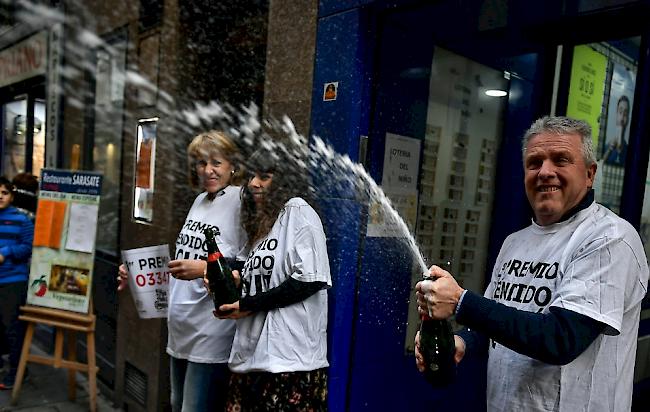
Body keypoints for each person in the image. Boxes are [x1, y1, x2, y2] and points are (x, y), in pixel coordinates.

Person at [415, 116, 649, 411]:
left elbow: (561, 338)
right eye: (534, 162)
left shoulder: (609, 238)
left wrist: (462, 302)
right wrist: (463, 343)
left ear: (590, 174)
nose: (545, 172)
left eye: (561, 160)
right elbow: (496, 324)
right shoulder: (515, 242)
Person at [118, 130, 247, 411]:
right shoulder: (200, 200)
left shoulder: (241, 200)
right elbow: (183, 261)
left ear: (232, 165)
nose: (208, 170)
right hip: (181, 324)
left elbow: (252, 263)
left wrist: (205, 268)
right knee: (177, 404)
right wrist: (138, 273)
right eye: (201, 163)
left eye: (216, 162)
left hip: (211, 327)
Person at [213, 144, 331, 411]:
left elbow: (310, 280)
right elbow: (253, 274)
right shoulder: (261, 222)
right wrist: (235, 280)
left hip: (290, 363)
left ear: (283, 179)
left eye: (264, 176)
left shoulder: (298, 212)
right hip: (250, 357)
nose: (254, 183)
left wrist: (247, 305)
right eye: (252, 176)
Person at [0, 176, 34, 390]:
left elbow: (28, 247)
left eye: (4, 193)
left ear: (11, 196)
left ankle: (17, 371)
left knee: (12, 328)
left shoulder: (22, 219)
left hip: (13, 280)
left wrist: (5, 252)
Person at [603, 95, 630, 165]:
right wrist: (609, 150)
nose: (622, 117)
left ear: (628, 119)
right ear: (616, 115)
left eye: (625, 113)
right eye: (620, 112)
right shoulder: (605, 148)